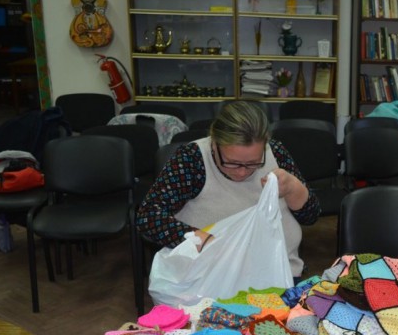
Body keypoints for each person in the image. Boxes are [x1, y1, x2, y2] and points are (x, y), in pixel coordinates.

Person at [136, 101, 321, 279]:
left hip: (279, 273)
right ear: (214, 143)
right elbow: (148, 217)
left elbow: (310, 216)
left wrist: (292, 188)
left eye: (253, 163)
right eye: (232, 162)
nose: (242, 172)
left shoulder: (276, 153)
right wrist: (204, 242)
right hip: (213, 277)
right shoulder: (192, 159)